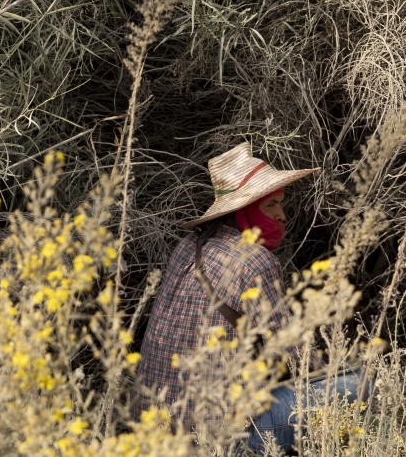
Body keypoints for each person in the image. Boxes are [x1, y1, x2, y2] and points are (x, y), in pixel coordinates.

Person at [134, 143, 367, 453]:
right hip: (217, 437)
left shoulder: (188, 246)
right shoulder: (255, 260)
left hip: (154, 430)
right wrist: (339, 362)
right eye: (271, 205)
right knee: (359, 384)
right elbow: (297, 357)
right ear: (245, 209)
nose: (281, 216)